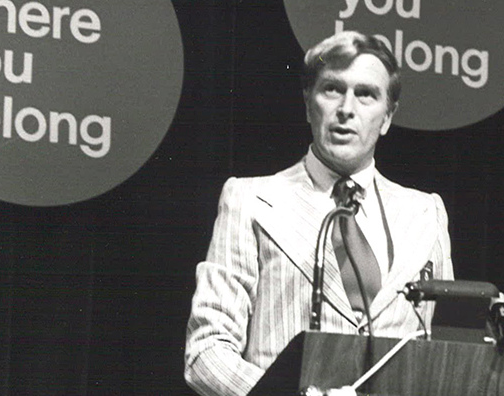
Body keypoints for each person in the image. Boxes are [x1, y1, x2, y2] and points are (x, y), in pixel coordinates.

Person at [184, 31, 454, 396]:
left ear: (388, 117)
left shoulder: (426, 213)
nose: (347, 108)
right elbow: (207, 352)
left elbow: (448, 358)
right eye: (332, 89)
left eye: (366, 94)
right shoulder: (250, 200)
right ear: (308, 104)